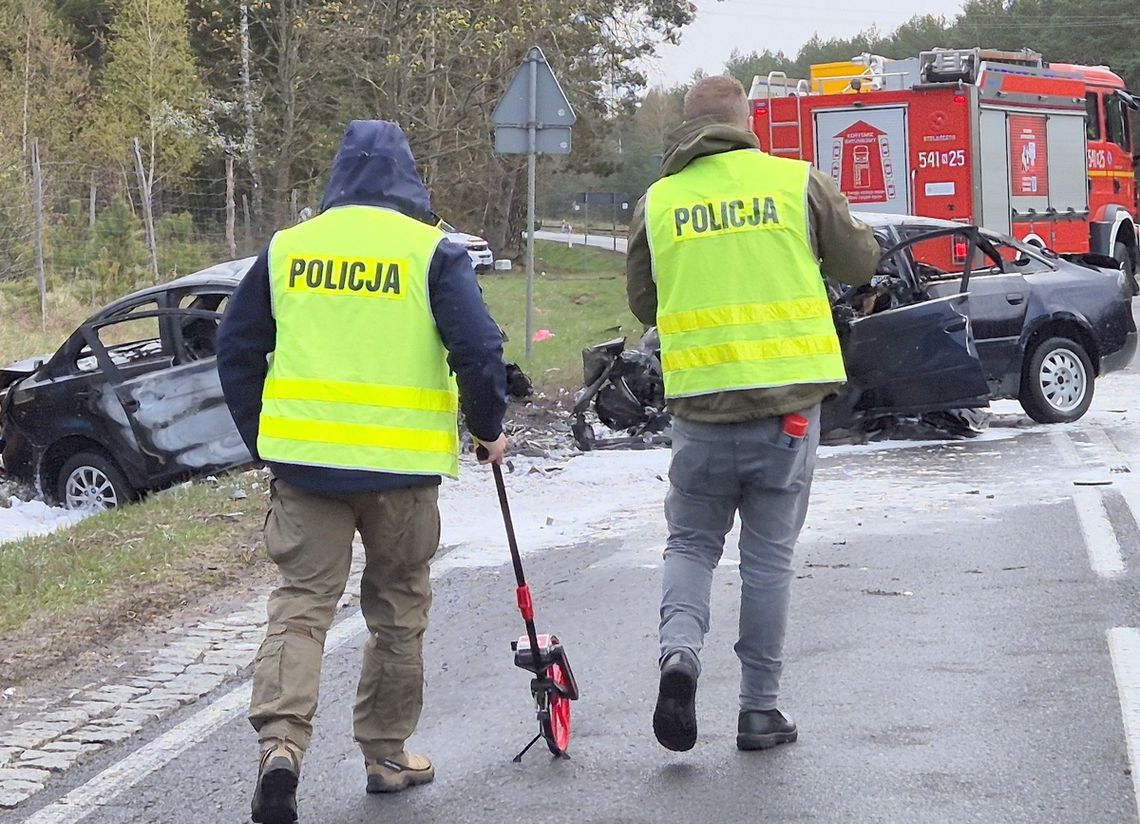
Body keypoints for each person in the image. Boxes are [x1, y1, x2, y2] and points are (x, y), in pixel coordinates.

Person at [216, 120, 508, 824]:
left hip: (307, 470)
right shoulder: (431, 251)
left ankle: (281, 746)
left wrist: (266, 439)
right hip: (401, 473)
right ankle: (385, 754)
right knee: (398, 606)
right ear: (409, 179)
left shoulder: (288, 249)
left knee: (301, 605)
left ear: (338, 177)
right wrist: (488, 428)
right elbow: (478, 347)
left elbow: (234, 347)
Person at [626, 76, 879, 753]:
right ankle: (759, 710)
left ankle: (679, 655)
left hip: (700, 416)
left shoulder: (657, 202)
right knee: (767, 559)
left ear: (685, 128)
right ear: (747, 121)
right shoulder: (797, 183)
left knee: (691, 545)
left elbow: (646, 307)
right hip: (786, 414)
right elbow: (860, 261)